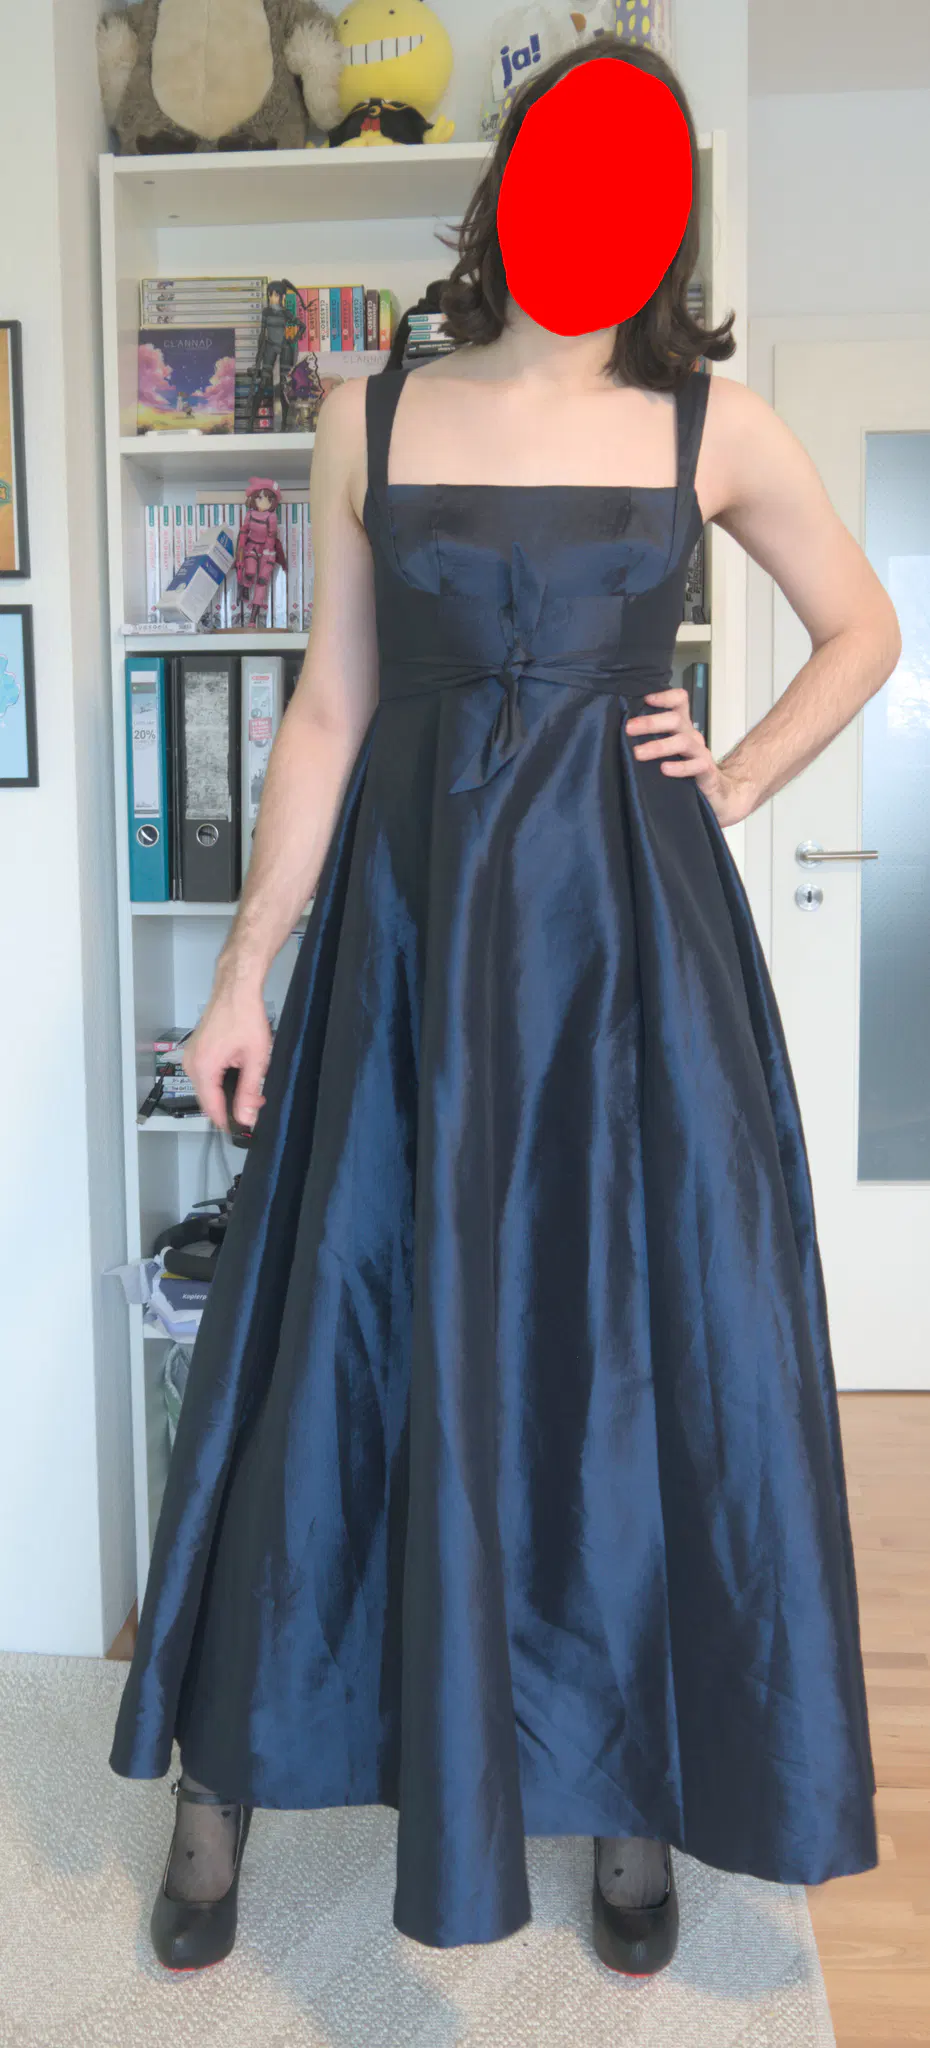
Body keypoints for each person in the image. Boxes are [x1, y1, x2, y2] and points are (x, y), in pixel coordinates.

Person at [110, 37, 893, 1979]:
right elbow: (328, 710)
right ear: (515, 184)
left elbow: (865, 626)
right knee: (334, 1337)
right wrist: (244, 965)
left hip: (632, 955)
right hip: (410, 946)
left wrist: (737, 772)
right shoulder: (369, 412)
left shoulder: (714, 423)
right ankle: (225, 1781)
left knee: (628, 1342)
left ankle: (629, 1785)